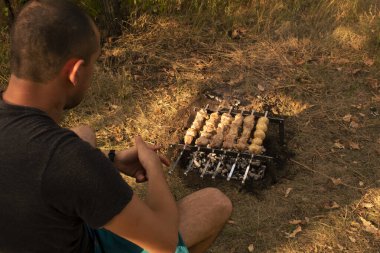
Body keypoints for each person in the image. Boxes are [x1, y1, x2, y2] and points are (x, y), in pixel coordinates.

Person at [0, 0, 233, 253]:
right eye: (94, 63)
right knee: (214, 203)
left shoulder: (54, 153)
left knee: (84, 133)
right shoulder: (68, 161)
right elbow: (163, 242)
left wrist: (110, 160)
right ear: (75, 72)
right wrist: (154, 170)